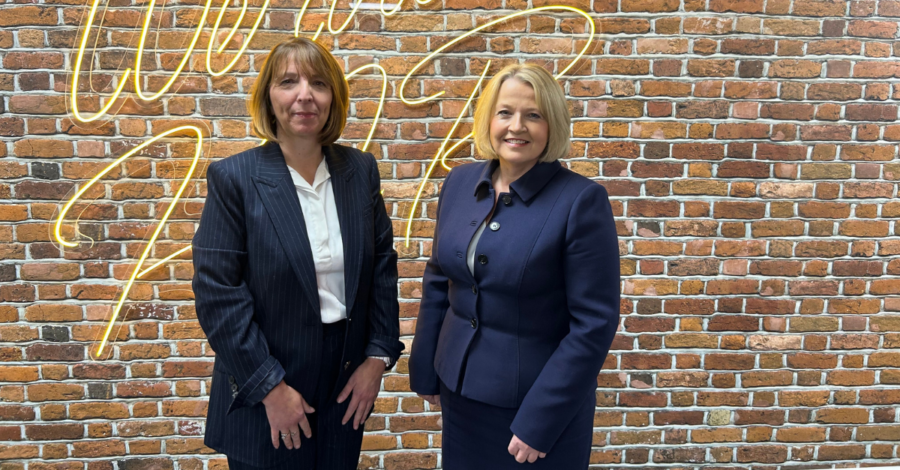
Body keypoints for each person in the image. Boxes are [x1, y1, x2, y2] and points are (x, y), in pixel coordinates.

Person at [192, 37, 403, 470]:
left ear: (333, 98)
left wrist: (377, 360)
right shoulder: (235, 178)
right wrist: (269, 387)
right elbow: (218, 295)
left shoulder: (359, 171)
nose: (305, 94)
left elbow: (382, 267)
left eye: (319, 83)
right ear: (269, 98)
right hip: (266, 376)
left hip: (344, 380)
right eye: (288, 81)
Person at [408, 63, 621, 469]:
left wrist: (540, 421)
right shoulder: (459, 182)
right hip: (462, 396)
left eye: (533, 115)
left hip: (533, 412)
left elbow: (594, 324)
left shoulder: (581, 201)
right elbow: (440, 279)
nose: (516, 126)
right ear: (489, 119)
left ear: (551, 124)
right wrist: (426, 367)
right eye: (505, 112)